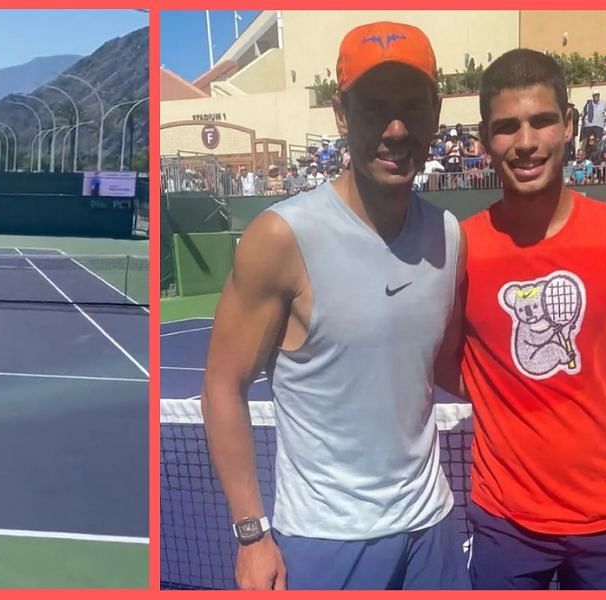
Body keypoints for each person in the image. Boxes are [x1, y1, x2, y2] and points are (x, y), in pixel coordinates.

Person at [201, 21, 469, 591]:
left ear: (436, 111)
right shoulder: (282, 237)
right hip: (326, 542)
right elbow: (223, 385)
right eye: (374, 108)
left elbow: (444, 366)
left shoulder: (448, 235)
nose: (396, 129)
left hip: (433, 530)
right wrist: (251, 536)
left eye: (412, 107)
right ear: (342, 116)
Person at [444, 48, 606, 590]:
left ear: (569, 126)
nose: (525, 142)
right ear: (485, 140)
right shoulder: (459, 247)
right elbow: (438, 362)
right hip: (505, 525)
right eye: (506, 127)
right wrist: (499, 392)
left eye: (542, 121)